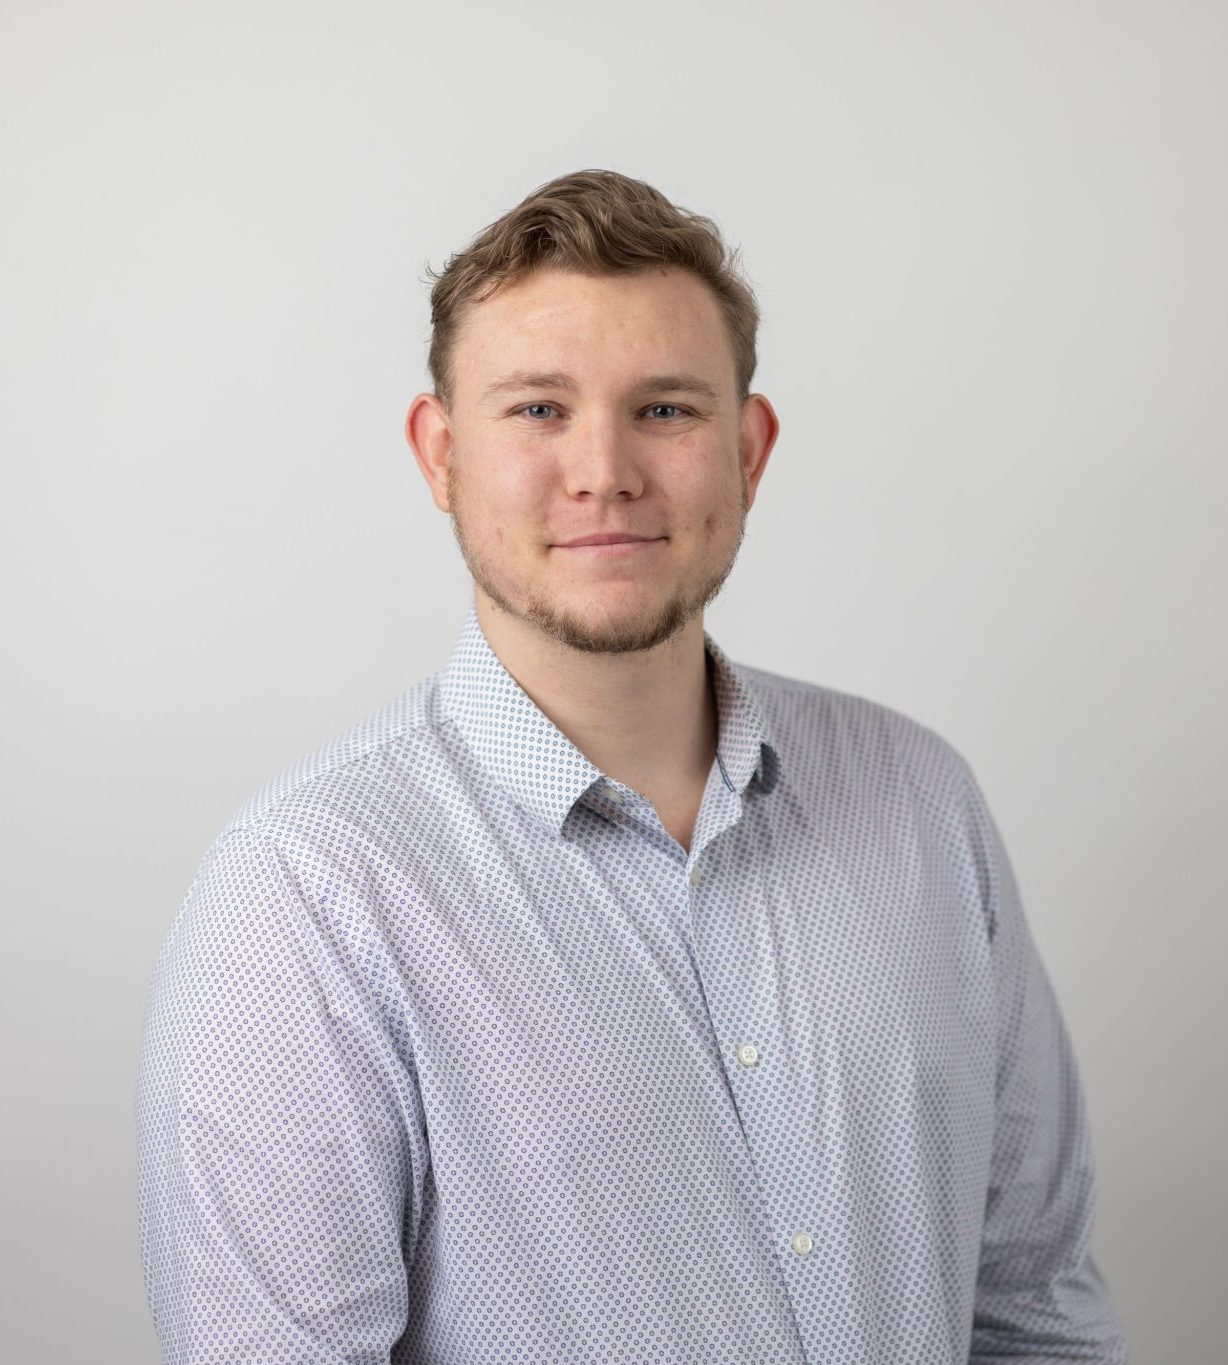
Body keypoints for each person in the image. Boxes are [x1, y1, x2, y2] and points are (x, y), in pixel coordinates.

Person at [134, 168, 1129, 1364]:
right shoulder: (304, 896)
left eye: (664, 409)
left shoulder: (919, 800)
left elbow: (1031, 1308)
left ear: (748, 450)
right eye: (538, 410)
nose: (603, 470)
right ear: (440, 454)